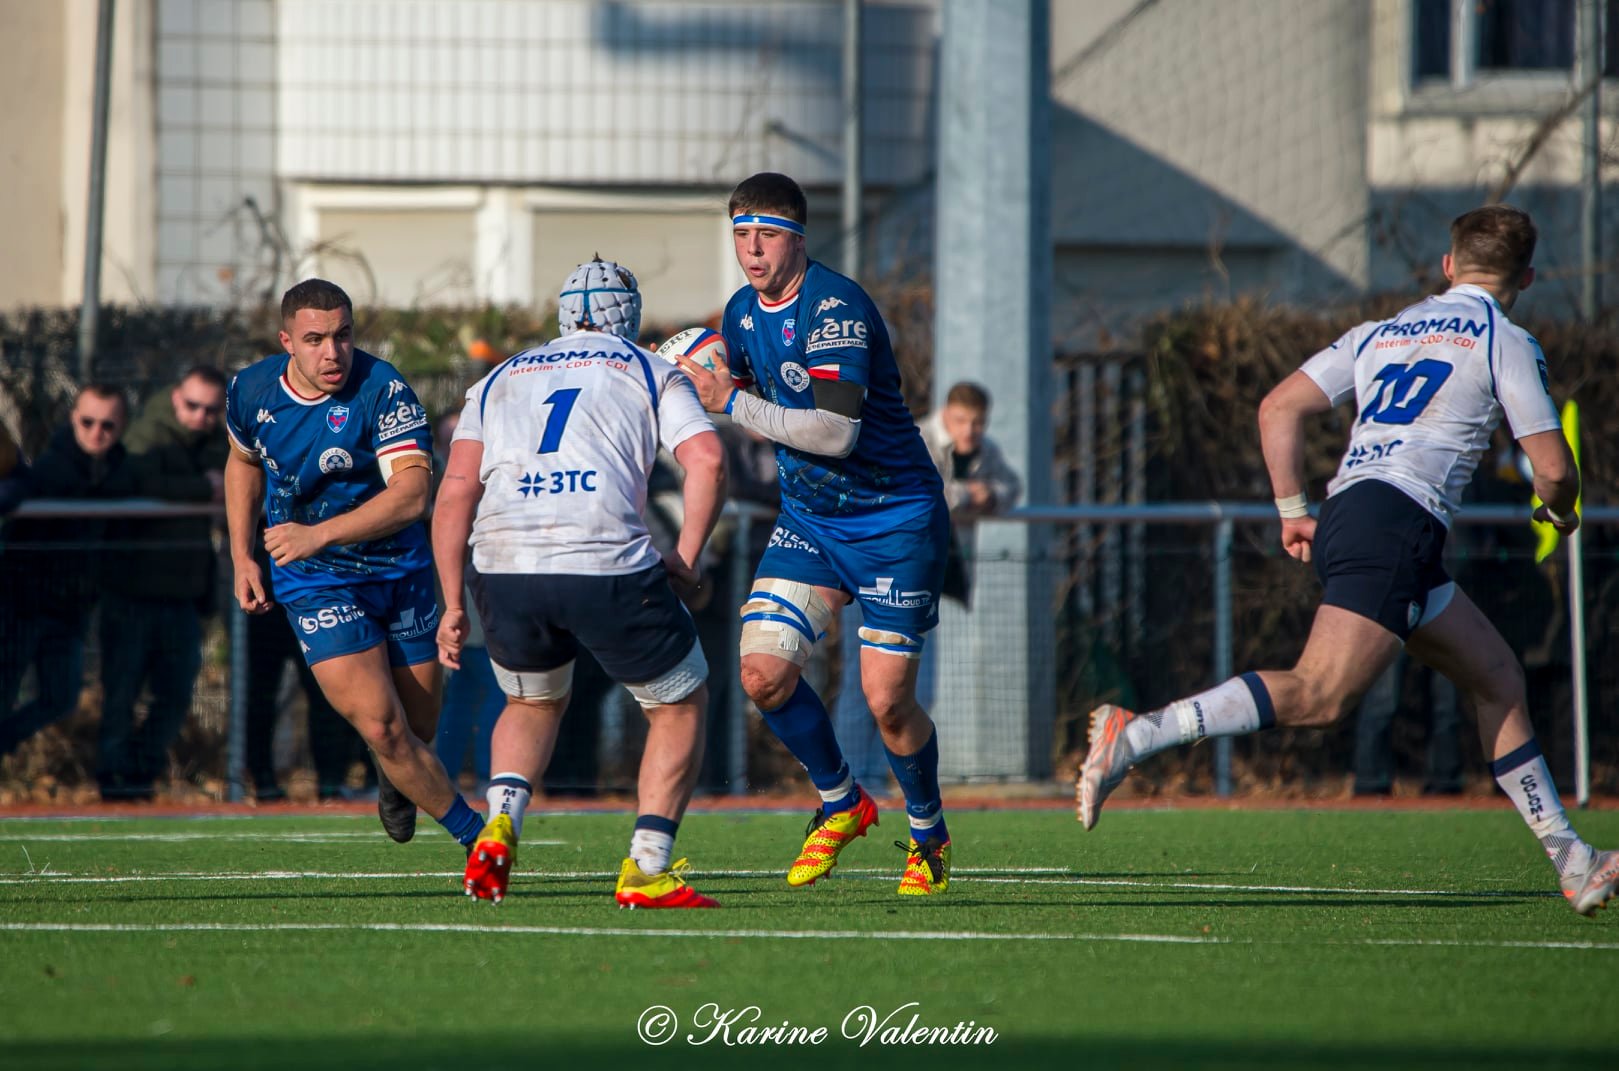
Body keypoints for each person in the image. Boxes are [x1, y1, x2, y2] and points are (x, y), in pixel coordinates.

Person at [1076, 204, 1618, 916]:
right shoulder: (1503, 339)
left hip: (1360, 515)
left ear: (1447, 266)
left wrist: (1290, 508)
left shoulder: (1380, 332)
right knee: (1319, 694)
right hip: (1395, 524)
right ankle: (1138, 733)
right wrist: (1563, 508)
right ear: (1526, 276)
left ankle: (1573, 859)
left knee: (1496, 678)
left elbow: (1277, 407)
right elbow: (1551, 468)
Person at [671, 172, 954, 896]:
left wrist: (730, 399)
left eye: (765, 233)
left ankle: (927, 833)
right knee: (762, 672)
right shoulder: (739, 311)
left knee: (888, 702)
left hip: (893, 518)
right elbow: (708, 382)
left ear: (797, 237)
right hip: (811, 521)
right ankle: (840, 800)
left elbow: (833, 431)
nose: (751, 249)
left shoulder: (837, 308)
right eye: (740, 233)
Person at [434, 256, 726, 907]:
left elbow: (453, 495)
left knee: (531, 702)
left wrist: (452, 601)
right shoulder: (651, 368)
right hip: (602, 557)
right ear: (631, 316)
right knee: (678, 704)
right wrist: (685, 553)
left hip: (502, 562)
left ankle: (500, 818)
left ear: (562, 314)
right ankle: (647, 865)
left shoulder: (498, 376)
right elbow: (706, 459)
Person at [224, 278, 482, 852]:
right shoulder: (251, 390)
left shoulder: (383, 389)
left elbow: (414, 496)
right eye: (315, 339)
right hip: (316, 579)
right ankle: (479, 838)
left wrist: (317, 533)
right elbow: (242, 462)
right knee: (383, 727)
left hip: (398, 571)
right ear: (286, 340)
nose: (332, 352)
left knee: (418, 731)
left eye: (343, 336)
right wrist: (243, 555)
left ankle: (397, 781)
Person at [831, 381, 1024, 783]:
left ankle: (879, 779)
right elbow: (914, 493)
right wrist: (966, 496)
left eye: (977, 423)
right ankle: (846, 783)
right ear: (945, 414)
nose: (969, 431)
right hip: (874, 570)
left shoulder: (983, 450)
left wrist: (987, 494)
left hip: (919, 578)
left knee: (909, 690)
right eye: (961, 421)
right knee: (861, 684)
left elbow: (1010, 487)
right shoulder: (916, 437)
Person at [96, 366, 230, 800]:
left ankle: (139, 776)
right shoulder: (148, 431)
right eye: (193, 406)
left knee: (174, 698)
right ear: (176, 398)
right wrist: (200, 487)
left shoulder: (213, 438)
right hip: (133, 593)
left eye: (211, 410)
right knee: (121, 696)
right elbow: (139, 480)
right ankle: (113, 783)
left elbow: (232, 472)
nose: (201, 417)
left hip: (183, 597)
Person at [0, 385, 140, 758]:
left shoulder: (120, 470)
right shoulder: (50, 469)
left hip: (71, 610)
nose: (97, 433)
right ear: (73, 420)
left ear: (122, 425)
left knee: (60, 698)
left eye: (108, 426)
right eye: (88, 422)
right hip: (21, 607)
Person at [428, 410, 505, 794]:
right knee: (489, 688)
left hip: (471, 595)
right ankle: (490, 776)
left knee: (465, 692)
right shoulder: (436, 479)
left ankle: (452, 775)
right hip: (459, 599)